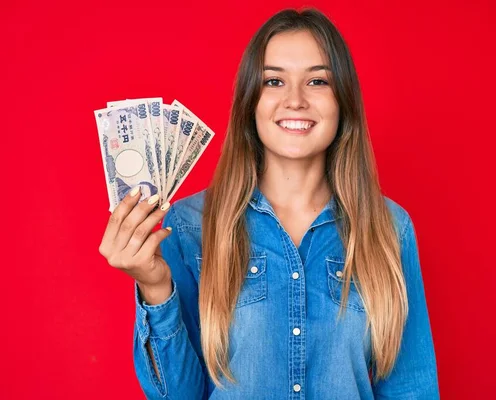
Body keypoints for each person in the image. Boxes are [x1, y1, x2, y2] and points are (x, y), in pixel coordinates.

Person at [99, 7, 439, 399]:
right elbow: (179, 395)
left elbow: (411, 388)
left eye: (317, 81)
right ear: (250, 103)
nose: (295, 100)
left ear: (343, 101)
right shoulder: (191, 226)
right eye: (274, 81)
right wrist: (154, 287)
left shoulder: (390, 228)